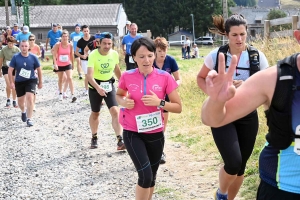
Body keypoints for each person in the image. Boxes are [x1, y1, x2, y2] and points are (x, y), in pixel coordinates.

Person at [201, 51, 300, 199]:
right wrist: (216, 100)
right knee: (234, 163)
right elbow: (212, 119)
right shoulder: (273, 78)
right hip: (283, 188)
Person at [196, 14, 269, 200]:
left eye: (243, 34)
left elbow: (267, 88)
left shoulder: (257, 57)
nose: (239, 39)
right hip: (222, 114)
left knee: (242, 165)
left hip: (248, 115)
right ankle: (221, 193)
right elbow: (200, 78)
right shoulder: (216, 55)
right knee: (233, 162)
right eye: (234, 35)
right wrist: (214, 95)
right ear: (226, 35)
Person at [116, 37, 182, 200]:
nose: (147, 60)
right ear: (134, 58)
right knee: (144, 175)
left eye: (150, 55)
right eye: (141, 56)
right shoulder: (127, 76)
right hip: (133, 132)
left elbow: (178, 107)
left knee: (152, 176)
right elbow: (119, 96)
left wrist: (159, 102)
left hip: (156, 133)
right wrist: (124, 102)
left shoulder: (165, 77)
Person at [86, 32, 125, 150]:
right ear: (99, 43)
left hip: (109, 84)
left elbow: (117, 69)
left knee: (115, 111)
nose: (107, 46)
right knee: (95, 113)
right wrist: (98, 88)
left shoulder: (114, 54)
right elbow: (89, 76)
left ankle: (120, 140)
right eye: (104, 43)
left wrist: (124, 84)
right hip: (95, 86)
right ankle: (94, 137)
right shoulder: (93, 55)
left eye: (109, 44)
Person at [153, 37, 181, 164]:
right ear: (155, 51)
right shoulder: (150, 61)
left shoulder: (171, 60)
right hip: (152, 96)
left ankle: (160, 151)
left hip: (166, 97)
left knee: (162, 126)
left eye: (164, 50)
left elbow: (178, 79)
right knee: (152, 124)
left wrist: (173, 86)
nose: (162, 53)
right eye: (159, 51)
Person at [8, 40, 43, 127]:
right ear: (20, 47)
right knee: (20, 102)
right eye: (22, 46)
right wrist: (11, 82)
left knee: (30, 98)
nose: (24, 48)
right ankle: (23, 111)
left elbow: (39, 70)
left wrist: (40, 82)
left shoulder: (33, 57)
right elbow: (10, 70)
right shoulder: (16, 57)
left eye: (25, 46)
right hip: (19, 81)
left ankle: (29, 119)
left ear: (28, 47)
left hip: (31, 80)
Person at [52, 30, 76, 103]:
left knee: (70, 78)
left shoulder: (70, 45)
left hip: (68, 63)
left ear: (68, 37)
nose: (65, 38)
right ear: (61, 37)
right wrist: (55, 64)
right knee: (60, 79)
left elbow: (72, 55)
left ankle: (73, 95)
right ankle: (60, 93)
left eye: (66, 36)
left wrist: (73, 64)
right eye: (63, 36)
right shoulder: (58, 45)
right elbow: (54, 55)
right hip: (60, 64)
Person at [0, 36, 20, 107]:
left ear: (13, 43)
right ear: (7, 43)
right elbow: (1, 60)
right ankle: (8, 99)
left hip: (14, 68)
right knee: (8, 84)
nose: (10, 45)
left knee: (13, 85)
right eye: (9, 43)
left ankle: (14, 100)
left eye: (11, 43)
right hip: (5, 68)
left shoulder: (17, 49)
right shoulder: (3, 50)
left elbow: (20, 59)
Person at [75, 25, 95, 96]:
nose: (86, 32)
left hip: (94, 59)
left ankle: (94, 88)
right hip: (85, 60)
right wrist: (82, 56)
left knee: (94, 75)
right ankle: (86, 89)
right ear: (82, 31)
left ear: (89, 31)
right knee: (87, 75)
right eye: (84, 31)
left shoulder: (93, 38)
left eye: (87, 31)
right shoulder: (80, 41)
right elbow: (76, 51)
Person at [28, 34, 41, 111]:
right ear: (28, 40)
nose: (32, 41)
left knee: (34, 87)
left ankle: (33, 104)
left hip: (35, 67)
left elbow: (39, 54)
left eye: (33, 40)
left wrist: (36, 57)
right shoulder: (26, 47)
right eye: (31, 40)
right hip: (27, 67)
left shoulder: (37, 47)